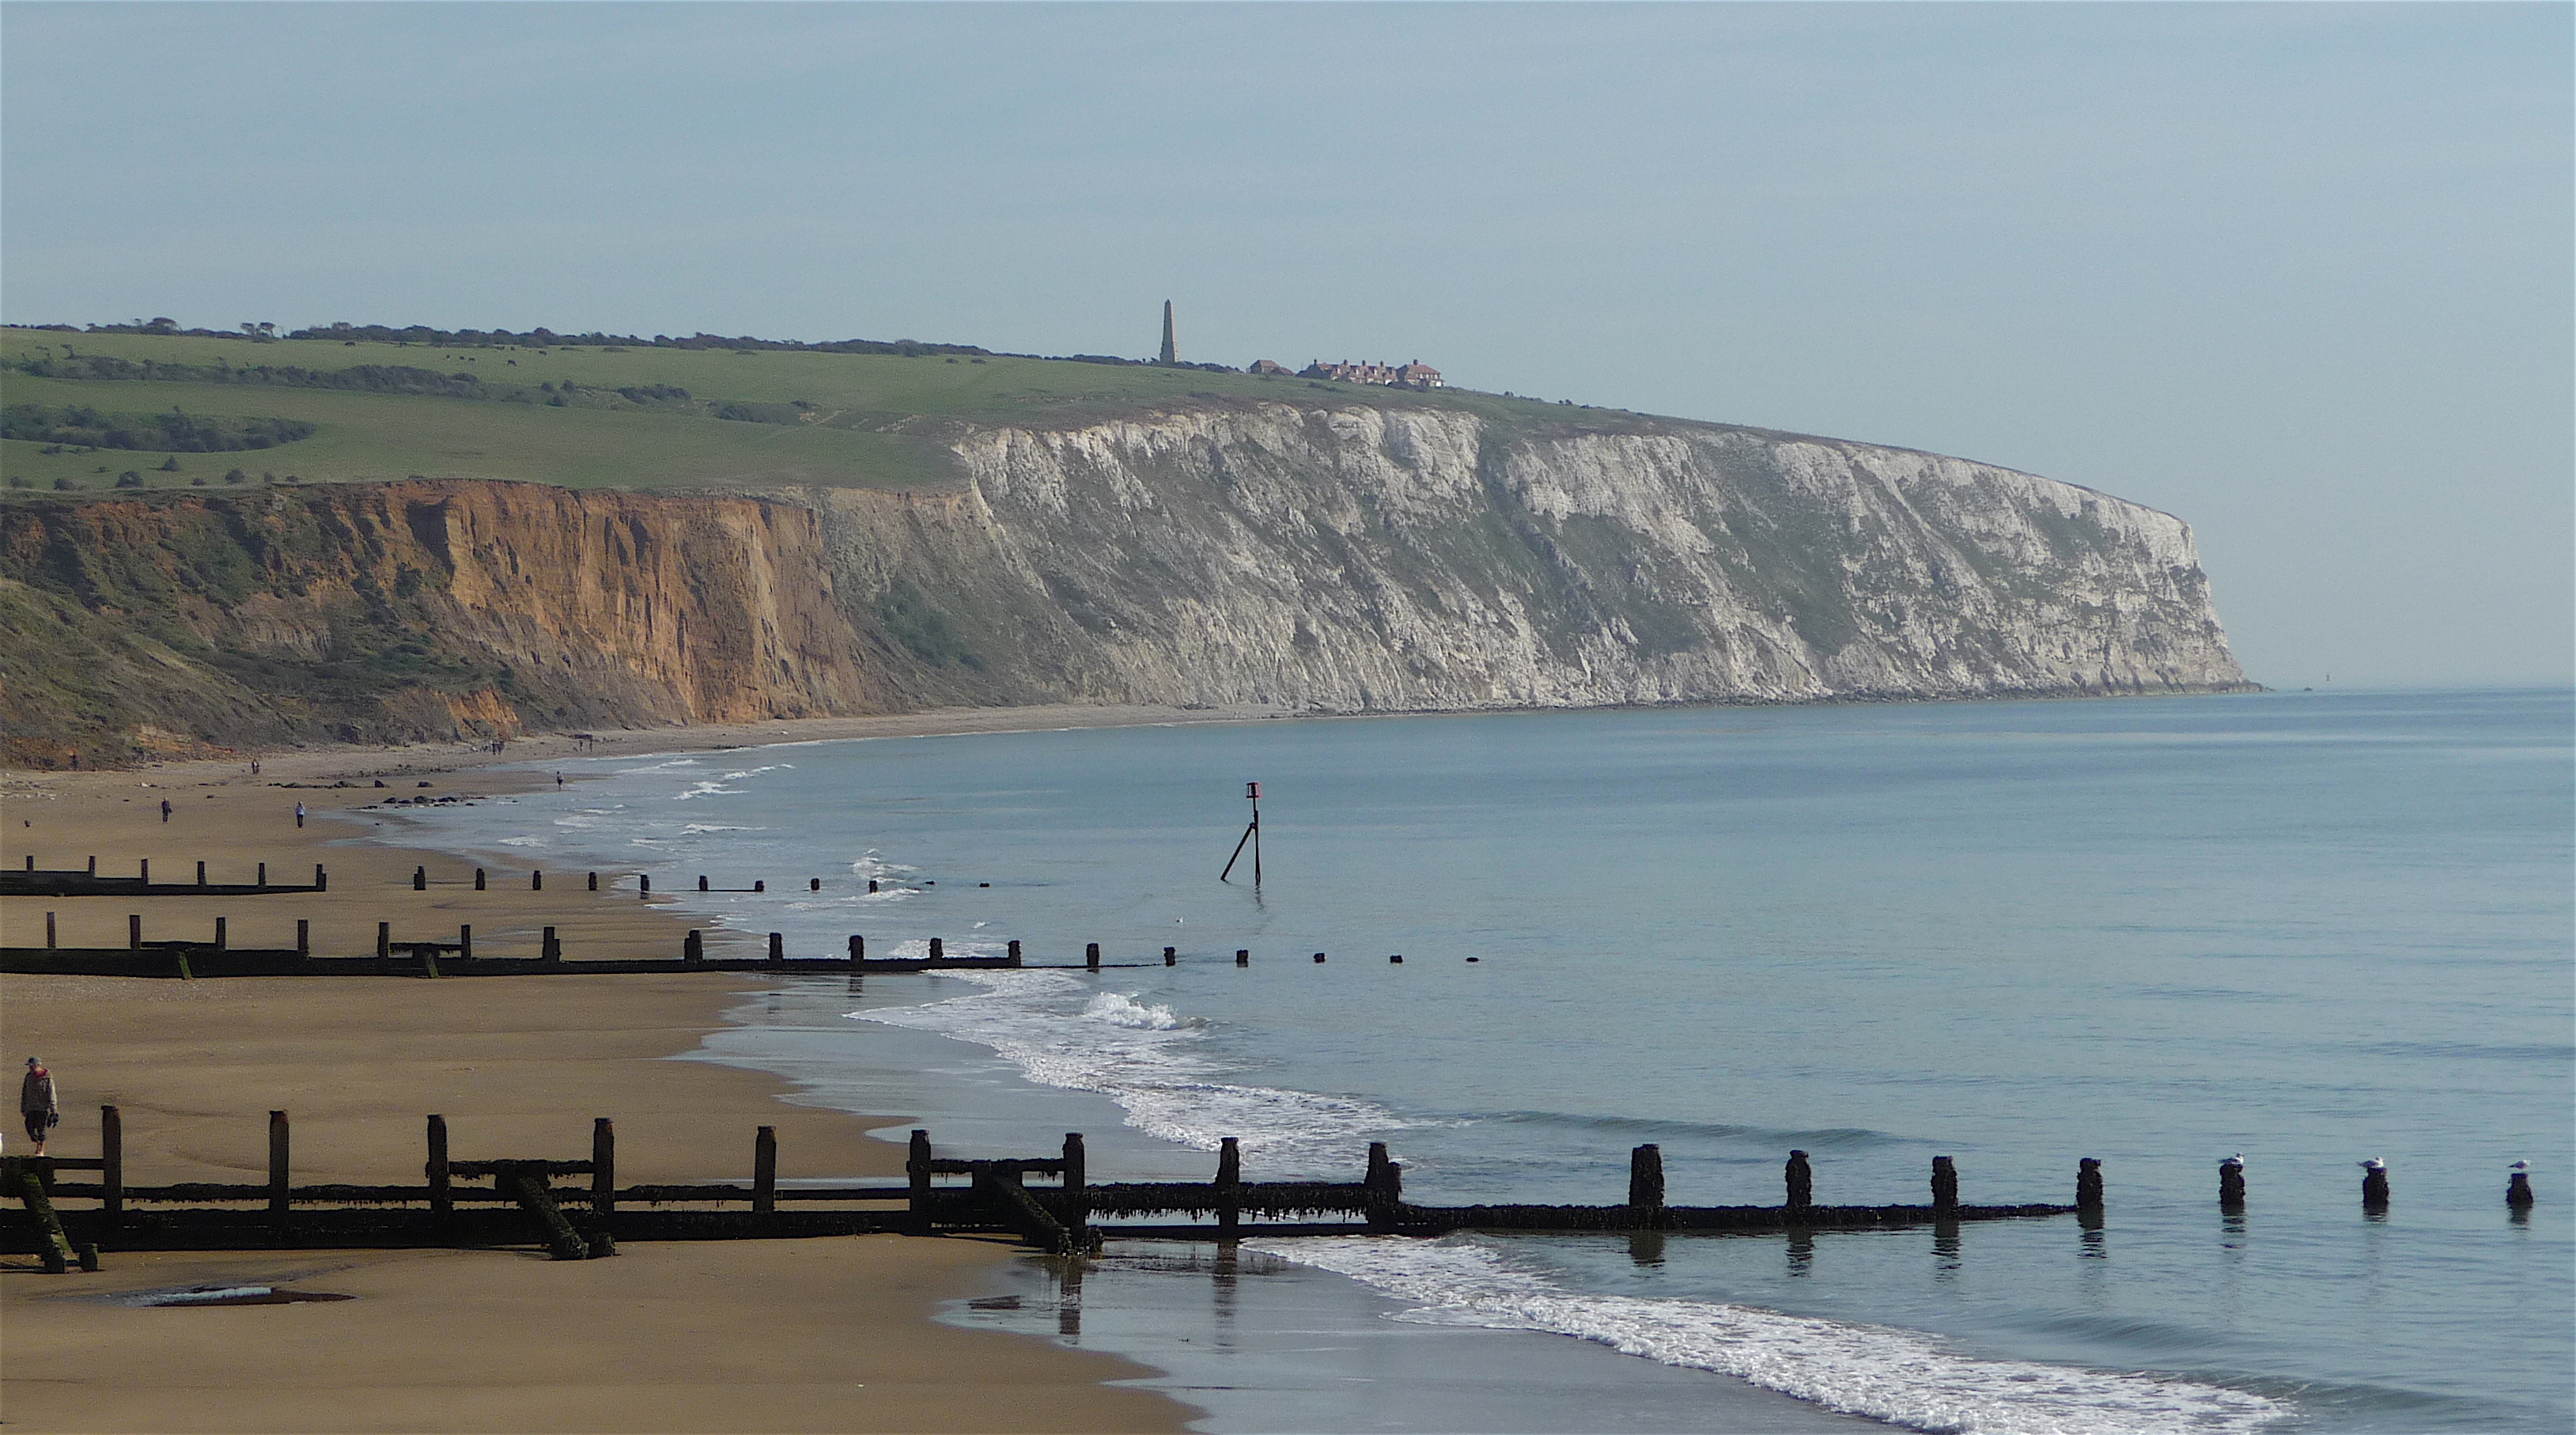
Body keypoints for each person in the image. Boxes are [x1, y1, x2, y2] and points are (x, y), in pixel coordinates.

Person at [21, 1057, 59, 1157]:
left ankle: (41, 1149)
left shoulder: (47, 1078)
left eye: (32, 1066)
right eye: (30, 1066)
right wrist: (23, 1108)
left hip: (42, 1108)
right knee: (29, 1128)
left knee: (41, 1130)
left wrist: (54, 1111)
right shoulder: (29, 1076)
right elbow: (24, 1093)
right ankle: (37, 1142)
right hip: (30, 1108)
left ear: (38, 1065)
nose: (31, 1068)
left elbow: (52, 1094)